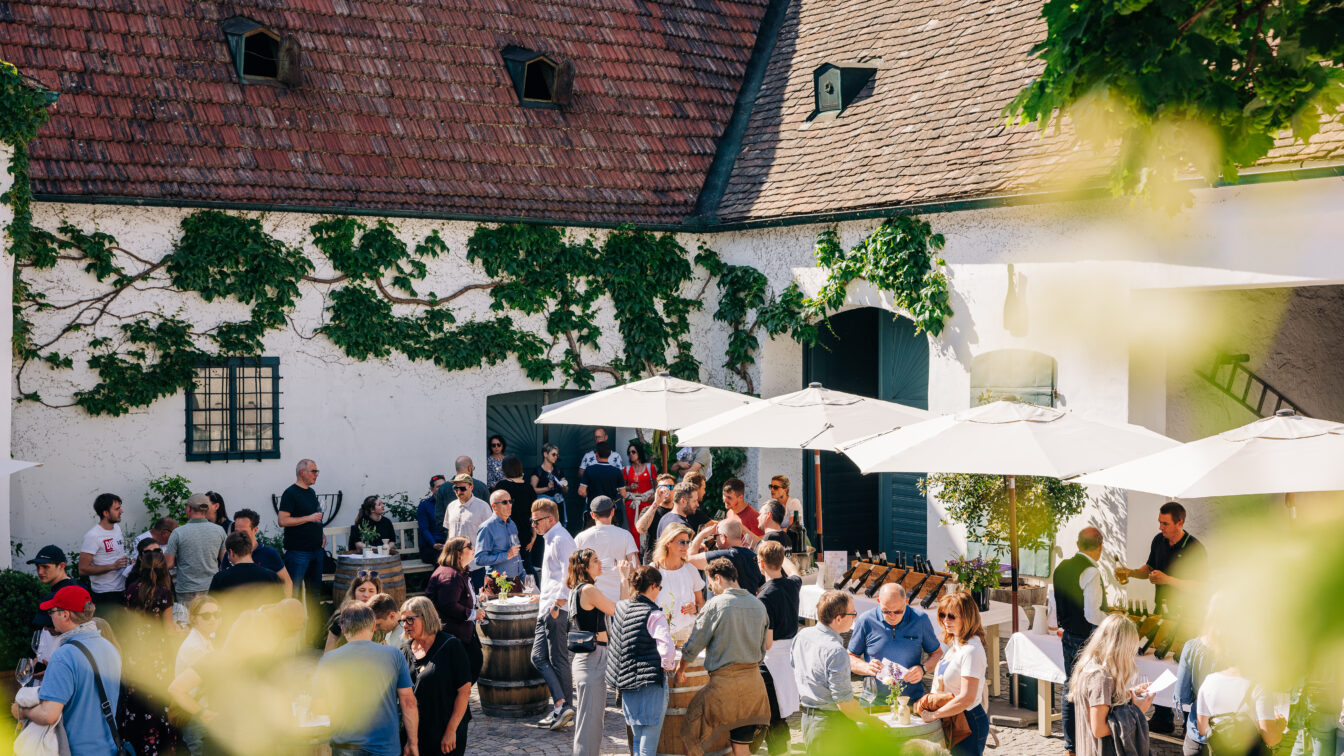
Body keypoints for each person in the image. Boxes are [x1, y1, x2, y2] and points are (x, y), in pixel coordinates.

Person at [1116, 501, 1208, 734]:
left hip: (1187, 618)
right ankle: (1163, 717)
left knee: (1184, 668)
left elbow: (1201, 586)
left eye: (1165, 523)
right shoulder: (1158, 541)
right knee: (1157, 663)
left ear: (1180, 522)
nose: (1161, 527)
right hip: (1162, 613)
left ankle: (1190, 723)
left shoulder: (1195, 549)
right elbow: (1148, 568)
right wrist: (1130, 573)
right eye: (1159, 522)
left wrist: (1168, 580)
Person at [11, 585, 124, 756]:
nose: (50, 616)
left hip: (74, 750)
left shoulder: (64, 654)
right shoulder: (109, 647)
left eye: (52, 611)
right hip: (108, 747)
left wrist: (21, 711)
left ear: (65, 615)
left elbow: (49, 714)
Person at [675, 557, 771, 756]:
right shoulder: (758, 605)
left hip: (723, 687)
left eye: (710, 585)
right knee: (741, 745)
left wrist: (680, 669)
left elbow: (694, 645)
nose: (711, 590)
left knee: (690, 734)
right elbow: (763, 648)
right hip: (754, 686)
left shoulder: (715, 605)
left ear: (717, 578)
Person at [315, 602, 418, 756]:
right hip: (386, 749)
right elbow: (408, 703)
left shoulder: (328, 660)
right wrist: (413, 743)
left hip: (346, 748)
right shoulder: (394, 655)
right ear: (373, 626)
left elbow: (319, 707)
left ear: (343, 629)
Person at [792, 590, 885, 750]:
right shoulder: (836, 651)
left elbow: (794, 667)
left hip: (808, 721)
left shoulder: (802, 635)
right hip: (831, 726)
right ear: (838, 618)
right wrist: (870, 721)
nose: (855, 617)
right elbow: (844, 702)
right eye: (852, 613)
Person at [607, 565, 679, 756]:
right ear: (654, 586)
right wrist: (669, 667)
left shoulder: (621, 606)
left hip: (626, 681)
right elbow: (667, 650)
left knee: (638, 737)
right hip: (650, 684)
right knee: (649, 741)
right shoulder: (654, 614)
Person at [1065, 613, 1156, 756]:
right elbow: (1099, 728)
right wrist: (1137, 710)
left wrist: (1129, 694)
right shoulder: (1101, 677)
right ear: (1121, 648)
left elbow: (1104, 702)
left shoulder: (1092, 666)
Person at [1052, 526, 1109, 756]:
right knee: (1092, 689)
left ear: (1077, 545)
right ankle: (1087, 742)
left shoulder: (1062, 567)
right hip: (1087, 636)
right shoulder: (1091, 571)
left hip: (1067, 633)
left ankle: (1071, 747)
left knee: (1070, 686)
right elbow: (1092, 613)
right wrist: (1113, 619)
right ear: (1100, 547)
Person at [120, 548, 180, 754]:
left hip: (135, 653)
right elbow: (169, 630)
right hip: (158, 656)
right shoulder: (164, 593)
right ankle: (159, 746)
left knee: (137, 701)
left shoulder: (130, 589)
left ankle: (137, 746)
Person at [399, 596, 473, 756]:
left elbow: (464, 692)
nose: (405, 625)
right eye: (403, 621)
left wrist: (451, 731)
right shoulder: (404, 650)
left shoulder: (451, 646)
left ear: (426, 617)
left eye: (410, 620)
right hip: (415, 730)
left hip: (445, 729)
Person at [923, 592, 993, 756]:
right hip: (952, 717)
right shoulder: (956, 644)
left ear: (967, 617)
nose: (946, 620)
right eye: (942, 615)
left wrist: (935, 715)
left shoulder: (971, 650)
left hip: (968, 721)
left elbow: (967, 697)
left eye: (952, 616)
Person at [848, 582, 942, 704]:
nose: (892, 616)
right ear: (878, 601)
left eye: (898, 611)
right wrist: (865, 667)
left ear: (907, 601)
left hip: (910, 701)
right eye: (886, 611)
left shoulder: (920, 619)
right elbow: (849, 657)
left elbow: (937, 654)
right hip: (873, 701)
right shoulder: (866, 620)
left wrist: (923, 669)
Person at [530, 498, 576, 730]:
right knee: (539, 657)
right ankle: (562, 705)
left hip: (556, 609)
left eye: (536, 521)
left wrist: (558, 603)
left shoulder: (560, 538)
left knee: (557, 659)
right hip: (548, 606)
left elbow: (571, 573)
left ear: (550, 519)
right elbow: (555, 576)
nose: (533, 525)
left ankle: (563, 706)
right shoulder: (551, 538)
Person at [567, 548, 618, 756]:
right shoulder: (587, 590)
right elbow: (617, 610)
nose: (600, 563)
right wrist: (623, 579)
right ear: (584, 567)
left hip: (591, 657)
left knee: (592, 721)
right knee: (589, 723)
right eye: (595, 561)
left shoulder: (581, 589)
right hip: (593, 658)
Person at [755, 541, 802, 756]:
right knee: (780, 713)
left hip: (771, 659)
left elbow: (768, 642)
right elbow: (795, 571)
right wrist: (784, 558)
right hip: (791, 656)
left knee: (773, 714)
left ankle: (780, 751)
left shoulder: (764, 596)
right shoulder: (793, 584)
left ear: (761, 563)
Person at [425, 537, 485, 681]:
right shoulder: (450, 575)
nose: (473, 548)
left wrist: (476, 598)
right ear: (458, 553)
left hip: (460, 633)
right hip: (452, 634)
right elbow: (448, 604)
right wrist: (473, 614)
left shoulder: (458, 572)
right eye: (469, 546)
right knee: (465, 672)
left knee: (471, 667)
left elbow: (459, 596)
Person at [1176, 598, 1226, 756]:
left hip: (1198, 734)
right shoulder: (1242, 651)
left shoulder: (1192, 647)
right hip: (1232, 735)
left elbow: (1182, 696)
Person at [278, 458, 327, 603]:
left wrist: (321, 533)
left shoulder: (311, 492)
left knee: (314, 594)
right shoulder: (290, 493)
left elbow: (315, 517)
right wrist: (308, 518)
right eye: (313, 471)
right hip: (298, 552)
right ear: (301, 472)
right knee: (293, 594)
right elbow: (282, 520)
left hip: (316, 551)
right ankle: (293, 624)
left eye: (317, 471)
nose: (316, 474)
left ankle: (314, 625)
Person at [573, 495, 639, 603]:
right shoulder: (625, 535)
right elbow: (635, 567)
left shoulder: (581, 538)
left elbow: (573, 568)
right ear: (613, 512)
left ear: (592, 515)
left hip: (592, 598)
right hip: (620, 596)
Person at [165, 493, 227, 603]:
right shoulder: (219, 531)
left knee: (188, 619)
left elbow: (168, 564)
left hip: (187, 589)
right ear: (206, 510)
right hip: (212, 587)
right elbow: (224, 561)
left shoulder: (178, 533)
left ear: (189, 509)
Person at [28, 544, 80, 664]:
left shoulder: (54, 597)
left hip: (55, 662)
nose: (40, 572)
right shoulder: (76, 588)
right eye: (38, 567)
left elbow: (40, 635)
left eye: (45, 567)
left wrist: (32, 664)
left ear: (62, 566)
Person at [651, 523, 706, 639]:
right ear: (668, 543)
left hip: (688, 634)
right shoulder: (653, 570)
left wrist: (695, 608)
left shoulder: (690, 569)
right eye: (681, 542)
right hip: (660, 635)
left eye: (687, 542)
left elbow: (701, 603)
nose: (686, 546)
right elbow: (644, 606)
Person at [210, 530, 284, 614]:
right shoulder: (271, 577)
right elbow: (280, 608)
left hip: (231, 626)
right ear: (250, 550)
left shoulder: (220, 578)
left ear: (231, 552)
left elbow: (211, 607)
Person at [79, 492, 129, 611]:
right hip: (105, 594)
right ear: (105, 513)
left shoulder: (117, 528)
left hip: (122, 588)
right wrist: (113, 566)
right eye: (117, 509)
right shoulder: (93, 536)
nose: (121, 511)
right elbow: (82, 569)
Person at [689, 517, 765, 595]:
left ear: (723, 538)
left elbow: (689, 559)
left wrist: (702, 534)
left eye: (715, 537)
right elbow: (762, 587)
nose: (715, 541)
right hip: (749, 604)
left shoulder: (722, 556)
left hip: (725, 605)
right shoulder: (755, 557)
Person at [442, 472, 492, 588]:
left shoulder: (483, 507)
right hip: (454, 564)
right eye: (455, 488)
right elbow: (450, 534)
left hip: (475, 565)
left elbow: (490, 535)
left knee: (478, 598)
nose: (458, 492)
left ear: (471, 487)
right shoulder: (451, 506)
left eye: (462, 488)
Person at [492, 455, 539, 577]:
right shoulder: (529, 488)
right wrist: (534, 535)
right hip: (524, 534)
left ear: (505, 469)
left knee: (505, 570)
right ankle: (536, 592)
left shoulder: (501, 486)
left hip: (505, 533)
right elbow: (534, 513)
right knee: (527, 567)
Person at [229, 508, 293, 596]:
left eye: (244, 532)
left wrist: (285, 605)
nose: (238, 535)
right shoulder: (230, 553)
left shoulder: (269, 554)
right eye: (236, 531)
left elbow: (287, 582)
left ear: (255, 529)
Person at [325, 571, 384, 651]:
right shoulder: (340, 618)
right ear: (354, 592)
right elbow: (327, 654)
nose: (366, 595)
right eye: (362, 590)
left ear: (377, 594)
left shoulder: (382, 620)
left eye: (371, 591)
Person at [476, 489, 526, 581]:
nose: (509, 505)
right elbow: (479, 559)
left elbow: (516, 553)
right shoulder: (487, 527)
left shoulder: (512, 524)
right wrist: (506, 555)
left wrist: (523, 576)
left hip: (517, 580)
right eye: (504, 502)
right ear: (494, 506)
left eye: (510, 501)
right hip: (498, 583)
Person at [578, 441, 626, 529]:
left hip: (593, 511)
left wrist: (589, 495)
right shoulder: (616, 471)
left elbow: (581, 492)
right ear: (610, 454)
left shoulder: (589, 470)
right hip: (610, 512)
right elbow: (623, 494)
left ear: (596, 454)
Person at [175, 596, 220, 679]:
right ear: (193, 618)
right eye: (206, 616)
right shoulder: (195, 648)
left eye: (216, 614)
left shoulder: (204, 637)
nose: (213, 619)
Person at [636, 474, 677, 563]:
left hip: (674, 561)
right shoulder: (649, 510)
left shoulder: (679, 510)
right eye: (661, 487)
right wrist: (656, 503)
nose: (665, 490)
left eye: (669, 486)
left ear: (675, 490)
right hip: (653, 561)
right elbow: (641, 529)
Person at [622, 442, 658, 543]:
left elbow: (657, 484)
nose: (631, 454)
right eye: (629, 453)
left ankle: (645, 554)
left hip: (647, 502)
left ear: (639, 453)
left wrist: (655, 497)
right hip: (632, 504)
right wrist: (629, 487)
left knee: (647, 528)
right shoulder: (627, 469)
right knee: (634, 530)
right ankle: (636, 556)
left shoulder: (650, 468)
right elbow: (621, 488)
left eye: (633, 452)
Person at [417, 474, 448, 564]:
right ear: (432, 489)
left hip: (447, 545)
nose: (442, 489)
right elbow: (424, 529)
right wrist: (433, 544)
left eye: (444, 486)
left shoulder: (451, 504)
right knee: (443, 559)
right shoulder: (424, 506)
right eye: (438, 486)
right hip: (430, 547)